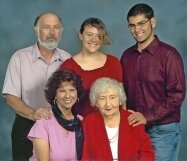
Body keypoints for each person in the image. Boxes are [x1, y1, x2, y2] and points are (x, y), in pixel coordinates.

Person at [120, 3, 186, 161]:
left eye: (141, 23)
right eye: (132, 25)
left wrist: (147, 116)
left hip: (163, 131)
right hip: (134, 129)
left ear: (153, 22)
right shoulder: (127, 56)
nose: (137, 30)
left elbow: (177, 95)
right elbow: (122, 91)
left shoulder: (169, 55)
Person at [2, 12, 71, 161]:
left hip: (59, 126)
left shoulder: (68, 59)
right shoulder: (19, 58)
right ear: (36, 31)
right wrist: (33, 113)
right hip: (26, 123)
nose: (52, 32)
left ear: (61, 31)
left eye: (56, 27)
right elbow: (10, 97)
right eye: (46, 27)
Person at [60, 17, 123, 117]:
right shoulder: (68, 66)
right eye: (89, 34)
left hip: (110, 124)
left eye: (98, 36)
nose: (94, 39)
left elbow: (121, 100)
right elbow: (62, 102)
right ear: (81, 35)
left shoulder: (114, 63)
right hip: (80, 126)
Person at [82, 77, 155, 161]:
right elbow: (85, 156)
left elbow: (147, 153)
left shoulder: (132, 119)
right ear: (96, 103)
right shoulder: (89, 122)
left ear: (120, 100)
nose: (108, 104)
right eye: (102, 98)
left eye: (112, 97)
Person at [28, 69, 84, 161]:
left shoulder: (81, 121)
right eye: (62, 91)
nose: (68, 95)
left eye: (72, 90)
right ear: (55, 95)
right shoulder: (44, 121)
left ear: (77, 93)